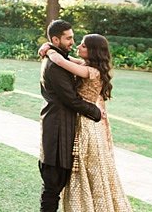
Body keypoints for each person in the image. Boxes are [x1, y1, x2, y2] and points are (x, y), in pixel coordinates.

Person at [42, 33, 133, 212]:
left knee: (87, 166)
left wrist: (50, 52)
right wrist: (48, 46)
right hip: (88, 118)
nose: (78, 46)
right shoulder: (87, 65)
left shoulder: (90, 71)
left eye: (83, 45)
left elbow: (61, 62)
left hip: (87, 122)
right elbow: (70, 59)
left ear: (92, 51)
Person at [39, 20, 102, 212]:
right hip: (57, 130)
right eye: (68, 38)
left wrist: (48, 47)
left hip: (64, 128)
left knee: (57, 184)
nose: (72, 42)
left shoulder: (60, 57)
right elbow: (71, 100)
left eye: (73, 38)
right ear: (56, 39)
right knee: (52, 186)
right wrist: (96, 112)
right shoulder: (55, 65)